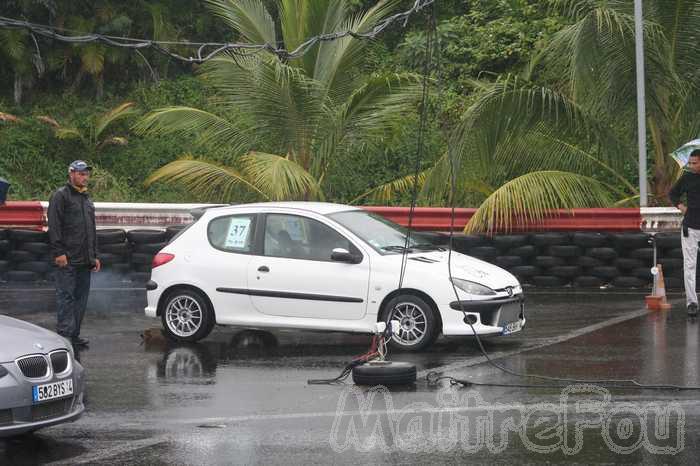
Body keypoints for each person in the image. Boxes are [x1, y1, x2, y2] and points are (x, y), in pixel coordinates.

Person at [48, 161, 101, 346]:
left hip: (85, 260)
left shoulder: (86, 199)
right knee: (66, 298)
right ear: (71, 174)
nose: (84, 177)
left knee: (81, 300)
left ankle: (75, 335)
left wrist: (94, 255)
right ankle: (64, 337)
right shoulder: (60, 196)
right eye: (80, 174)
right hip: (67, 259)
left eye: (86, 174)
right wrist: (59, 252)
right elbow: (54, 226)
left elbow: (91, 230)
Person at [669, 149, 700, 317]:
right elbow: (672, 194)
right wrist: (682, 207)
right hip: (690, 227)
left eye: (695, 163)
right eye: (690, 163)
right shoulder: (687, 178)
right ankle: (692, 302)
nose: (691, 165)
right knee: (689, 266)